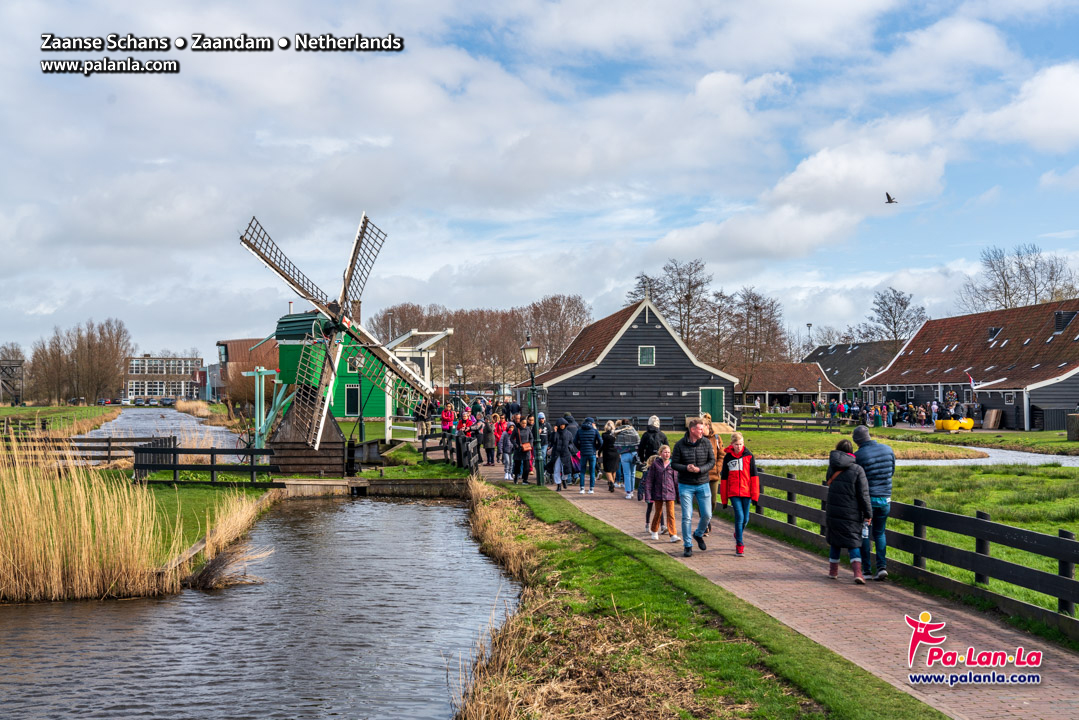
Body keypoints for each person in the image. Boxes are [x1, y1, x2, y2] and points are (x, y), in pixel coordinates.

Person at [825, 438, 872, 584]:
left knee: (835, 541)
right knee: (853, 542)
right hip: (851, 511)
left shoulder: (832, 468)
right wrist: (868, 513)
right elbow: (864, 494)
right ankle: (858, 573)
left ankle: (833, 571)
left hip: (833, 509)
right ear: (851, 452)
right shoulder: (858, 470)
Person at [853, 425, 895, 581]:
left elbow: (858, 479)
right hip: (885, 498)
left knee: (865, 533)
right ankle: (882, 567)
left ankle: (867, 570)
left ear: (857, 441)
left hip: (868, 500)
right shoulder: (888, 449)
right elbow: (891, 471)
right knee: (880, 532)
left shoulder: (859, 456)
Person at [671, 418, 715, 558]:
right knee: (687, 516)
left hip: (703, 483)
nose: (703, 431)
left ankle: (698, 534)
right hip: (686, 485)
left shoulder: (706, 443)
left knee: (707, 514)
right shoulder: (679, 445)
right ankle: (687, 545)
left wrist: (700, 469)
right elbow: (674, 464)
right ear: (692, 430)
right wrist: (686, 468)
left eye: (703, 429)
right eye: (700, 429)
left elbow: (712, 461)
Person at [720, 431, 758, 556]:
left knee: (746, 519)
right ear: (732, 444)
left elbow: (754, 477)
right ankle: (739, 545)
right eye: (736, 444)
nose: (739, 446)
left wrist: (755, 495)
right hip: (734, 492)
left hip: (746, 492)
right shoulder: (728, 458)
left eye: (741, 444)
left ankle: (738, 533)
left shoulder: (749, 456)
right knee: (739, 517)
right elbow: (724, 479)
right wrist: (724, 499)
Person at [642, 445, 679, 542]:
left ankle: (673, 534)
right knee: (658, 512)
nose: (667, 454)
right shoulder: (655, 465)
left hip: (670, 492)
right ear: (660, 453)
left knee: (671, 514)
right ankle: (654, 530)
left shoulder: (673, 465)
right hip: (658, 491)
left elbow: (676, 480)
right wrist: (648, 494)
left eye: (668, 452)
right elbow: (649, 480)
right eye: (665, 452)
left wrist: (678, 495)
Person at [702, 413, 725, 536]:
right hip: (701, 475)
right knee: (702, 500)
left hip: (714, 474)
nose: (701, 429)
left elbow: (721, 454)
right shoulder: (698, 439)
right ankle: (705, 524)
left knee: (713, 501)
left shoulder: (716, 438)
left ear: (708, 427)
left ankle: (708, 519)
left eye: (703, 426)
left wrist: (719, 467)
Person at [614, 418, 640, 500]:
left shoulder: (620, 432)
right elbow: (639, 442)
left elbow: (616, 444)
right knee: (633, 473)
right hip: (633, 454)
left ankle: (628, 492)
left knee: (626, 474)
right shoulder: (634, 431)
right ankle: (632, 491)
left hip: (624, 454)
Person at [573, 417, 601, 493]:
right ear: (591, 423)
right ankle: (591, 489)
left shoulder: (579, 431)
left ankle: (582, 488)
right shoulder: (595, 431)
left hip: (583, 453)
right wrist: (596, 448)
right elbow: (600, 442)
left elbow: (575, 441)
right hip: (592, 453)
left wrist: (580, 448)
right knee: (592, 471)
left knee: (582, 471)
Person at [550, 417, 572, 491]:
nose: (562, 426)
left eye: (563, 425)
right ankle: (558, 484)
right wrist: (555, 432)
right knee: (557, 469)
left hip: (565, 453)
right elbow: (553, 441)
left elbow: (571, 443)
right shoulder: (555, 433)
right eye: (561, 425)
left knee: (565, 469)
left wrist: (569, 448)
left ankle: (564, 480)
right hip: (557, 453)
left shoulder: (569, 433)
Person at [511, 418, 534, 484]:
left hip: (526, 449)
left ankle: (525, 479)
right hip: (518, 449)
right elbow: (511, 438)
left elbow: (531, 437)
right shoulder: (516, 429)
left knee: (526, 466)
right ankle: (516, 477)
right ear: (520, 423)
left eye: (525, 423)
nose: (524, 425)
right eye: (523, 423)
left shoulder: (528, 429)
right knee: (517, 465)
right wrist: (516, 445)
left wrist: (530, 444)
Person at [600, 420, 619, 492]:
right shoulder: (616, 435)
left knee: (608, 470)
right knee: (614, 469)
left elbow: (603, 445)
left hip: (607, 453)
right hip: (616, 453)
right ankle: (612, 483)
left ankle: (611, 483)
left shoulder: (604, 435)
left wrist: (599, 452)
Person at [534, 412, 549, 485]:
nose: (541, 420)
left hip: (544, 444)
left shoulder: (547, 425)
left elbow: (549, 434)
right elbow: (532, 434)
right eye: (540, 418)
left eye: (542, 418)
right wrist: (538, 433)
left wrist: (549, 444)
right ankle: (539, 471)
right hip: (537, 444)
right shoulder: (536, 426)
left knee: (542, 457)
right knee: (537, 459)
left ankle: (543, 471)